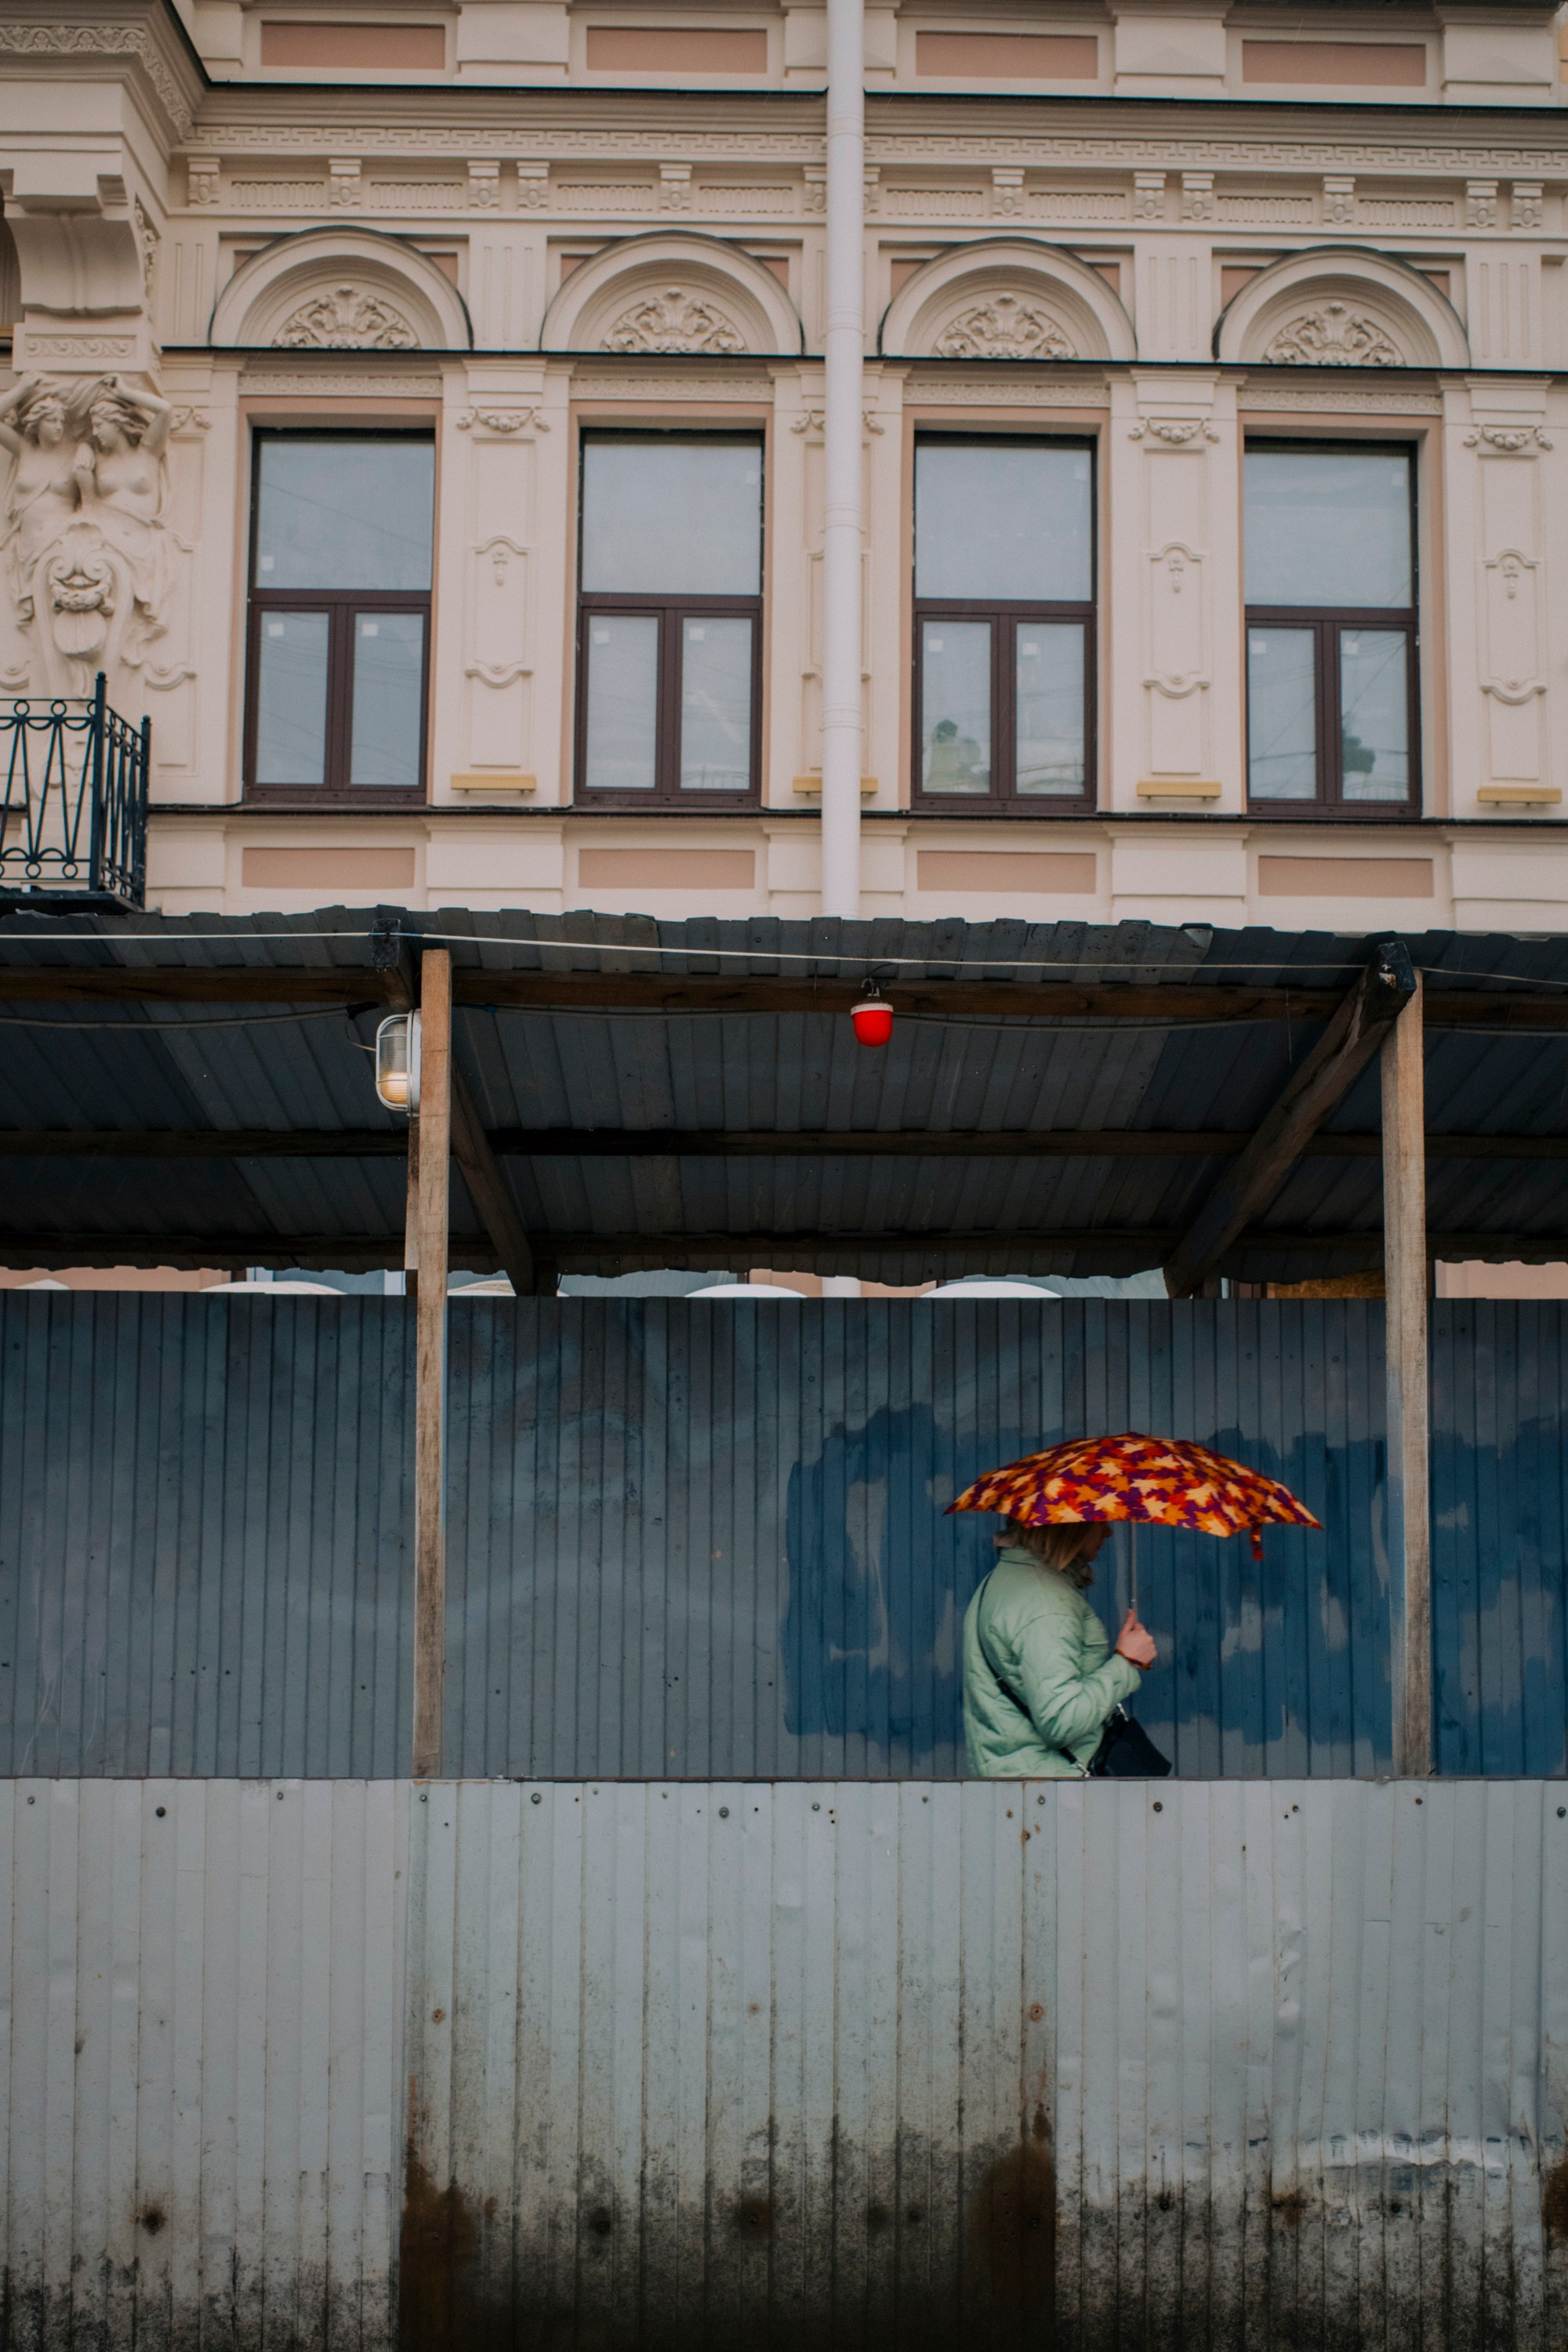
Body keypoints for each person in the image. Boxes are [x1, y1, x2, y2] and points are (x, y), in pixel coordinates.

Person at [961, 1518, 1158, 1777]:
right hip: (1051, 1797)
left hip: (1021, 1787)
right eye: (1100, 1521)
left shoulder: (1006, 1579)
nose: (1109, 1532)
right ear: (1072, 1525)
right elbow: (1060, 1720)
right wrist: (1126, 1663)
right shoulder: (1044, 1602)